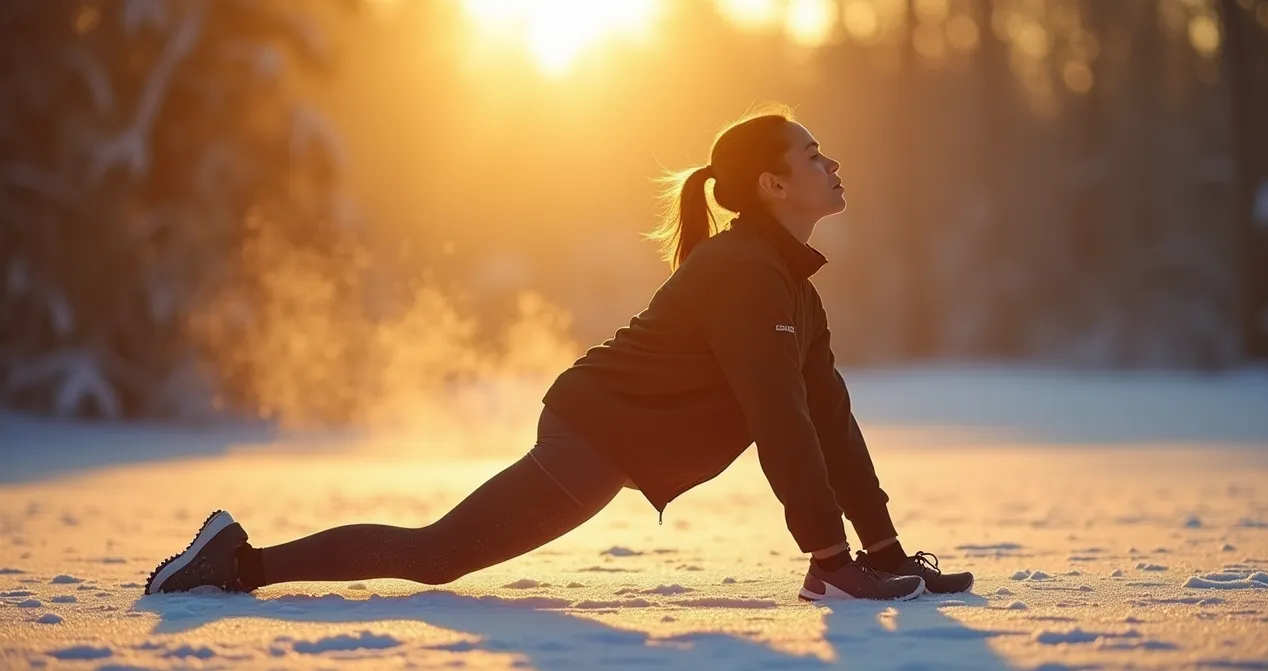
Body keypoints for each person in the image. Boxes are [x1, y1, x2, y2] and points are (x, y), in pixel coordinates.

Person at [145, 107, 973, 602]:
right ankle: (236, 564)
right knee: (437, 556)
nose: (832, 164)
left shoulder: (789, 284)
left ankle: (239, 563)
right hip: (594, 434)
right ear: (772, 186)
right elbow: (779, 421)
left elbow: (829, 421)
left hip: (610, 436)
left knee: (436, 553)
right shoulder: (745, 275)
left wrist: (886, 555)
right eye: (812, 155)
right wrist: (831, 562)